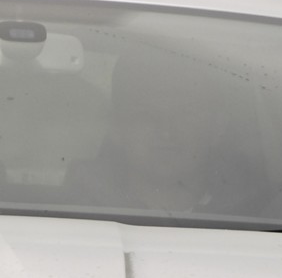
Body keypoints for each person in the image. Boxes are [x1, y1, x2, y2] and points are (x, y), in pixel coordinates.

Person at [67, 52, 267, 215]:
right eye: (145, 115)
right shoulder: (69, 220)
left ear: (217, 126)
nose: (166, 132)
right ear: (116, 127)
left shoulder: (266, 218)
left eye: (184, 113)